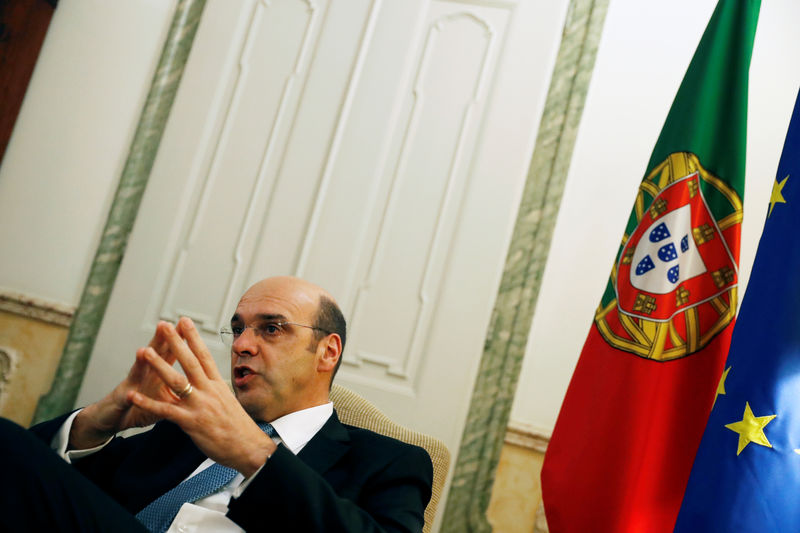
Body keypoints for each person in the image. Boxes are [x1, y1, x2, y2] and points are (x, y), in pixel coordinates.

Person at [0, 276, 433, 532]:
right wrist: (104, 416)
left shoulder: (389, 462)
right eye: (238, 329)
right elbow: (40, 485)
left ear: (328, 352)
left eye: (272, 329)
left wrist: (254, 454)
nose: (242, 345)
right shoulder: (185, 429)